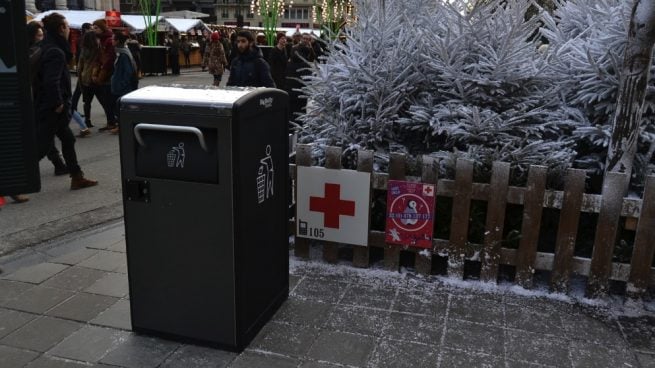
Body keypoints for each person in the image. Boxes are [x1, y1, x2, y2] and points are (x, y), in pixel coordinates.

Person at [34, 13, 98, 190]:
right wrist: (58, 103)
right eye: (67, 26)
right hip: (52, 107)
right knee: (40, 148)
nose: (69, 29)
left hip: (46, 104)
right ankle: (11, 182)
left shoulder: (43, 46)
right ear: (61, 28)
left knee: (68, 139)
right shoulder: (55, 50)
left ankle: (77, 177)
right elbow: (50, 80)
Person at [27, 21, 69, 177]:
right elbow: (50, 81)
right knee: (44, 142)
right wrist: (58, 101)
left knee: (64, 137)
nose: (41, 38)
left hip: (40, 101)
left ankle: (69, 170)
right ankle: (16, 177)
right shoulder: (37, 52)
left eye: (42, 34)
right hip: (39, 101)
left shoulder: (39, 51)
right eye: (38, 35)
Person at [109, 31, 139, 135]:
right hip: (119, 85)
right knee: (119, 107)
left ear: (117, 41)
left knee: (121, 107)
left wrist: (121, 84)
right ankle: (122, 126)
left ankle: (123, 126)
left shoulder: (123, 54)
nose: (111, 40)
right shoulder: (121, 51)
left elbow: (128, 72)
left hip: (122, 87)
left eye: (113, 39)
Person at [92, 19, 117, 131]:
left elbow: (109, 60)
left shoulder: (108, 40)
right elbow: (99, 57)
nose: (94, 29)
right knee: (106, 100)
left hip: (109, 74)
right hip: (104, 72)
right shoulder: (101, 40)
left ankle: (113, 122)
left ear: (102, 28)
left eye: (96, 27)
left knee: (109, 100)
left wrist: (101, 74)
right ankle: (111, 122)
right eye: (93, 27)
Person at [77, 31, 102, 134]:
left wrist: (80, 77)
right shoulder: (98, 49)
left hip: (85, 77)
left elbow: (79, 66)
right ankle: (111, 120)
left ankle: (87, 120)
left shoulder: (83, 50)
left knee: (87, 101)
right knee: (103, 100)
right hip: (96, 76)